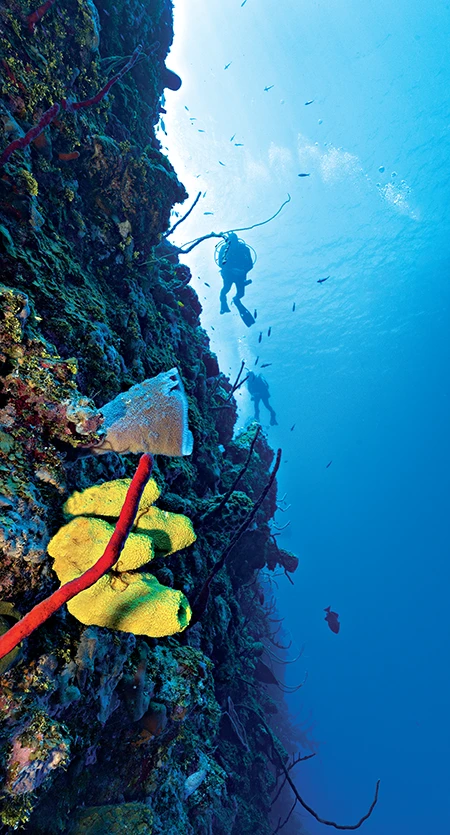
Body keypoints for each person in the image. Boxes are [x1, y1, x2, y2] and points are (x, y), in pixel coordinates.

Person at [217, 233, 255, 326]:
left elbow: (250, 264)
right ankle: (223, 304)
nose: (233, 245)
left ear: (237, 241)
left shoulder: (244, 249)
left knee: (241, 294)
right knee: (225, 289)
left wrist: (243, 271)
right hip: (228, 274)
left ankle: (236, 300)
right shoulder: (224, 249)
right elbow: (220, 264)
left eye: (234, 242)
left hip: (240, 275)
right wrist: (231, 270)